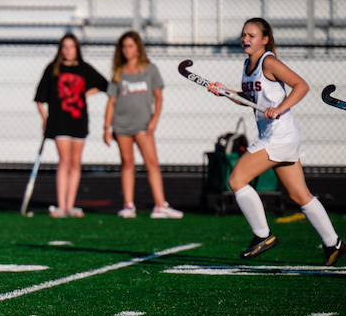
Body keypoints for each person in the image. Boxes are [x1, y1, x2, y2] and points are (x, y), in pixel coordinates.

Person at [211, 17, 342, 265]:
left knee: (236, 180)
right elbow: (249, 99)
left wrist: (280, 108)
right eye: (243, 35)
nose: (245, 39)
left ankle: (263, 235)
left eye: (251, 35)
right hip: (279, 136)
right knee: (299, 194)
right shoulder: (247, 64)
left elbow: (301, 86)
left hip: (279, 135)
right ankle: (333, 243)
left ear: (264, 39)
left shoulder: (268, 61)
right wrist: (225, 91)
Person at [103, 31, 183, 219]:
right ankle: (128, 205)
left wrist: (154, 121)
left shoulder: (150, 69)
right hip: (121, 125)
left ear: (138, 48)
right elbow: (111, 101)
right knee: (127, 163)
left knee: (152, 163)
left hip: (143, 125)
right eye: (124, 46)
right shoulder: (118, 72)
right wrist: (106, 127)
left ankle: (160, 205)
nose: (127, 50)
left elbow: (159, 97)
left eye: (131, 46)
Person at [34, 33, 108, 218]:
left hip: (79, 121)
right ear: (61, 50)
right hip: (59, 122)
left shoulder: (85, 68)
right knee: (65, 160)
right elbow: (40, 98)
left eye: (71, 47)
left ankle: (70, 205)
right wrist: (45, 119)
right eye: (65, 47)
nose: (68, 51)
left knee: (76, 162)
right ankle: (61, 206)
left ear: (77, 49)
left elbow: (105, 85)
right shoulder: (53, 69)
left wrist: (85, 95)